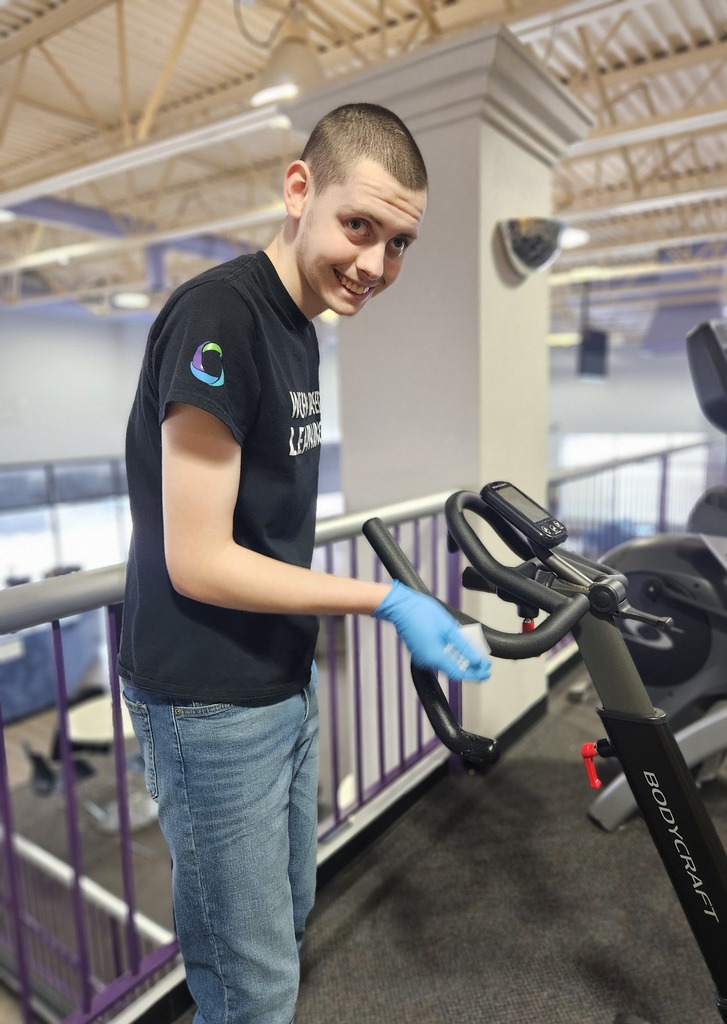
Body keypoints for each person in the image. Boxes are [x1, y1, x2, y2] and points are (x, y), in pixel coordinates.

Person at [118, 102, 491, 1024]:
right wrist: (386, 599)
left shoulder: (301, 324)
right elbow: (200, 559)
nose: (376, 264)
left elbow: (261, 520)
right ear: (298, 190)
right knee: (252, 993)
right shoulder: (222, 315)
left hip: (280, 678)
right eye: (358, 226)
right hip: (206, 700)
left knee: (285, 923)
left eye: (399, 242)